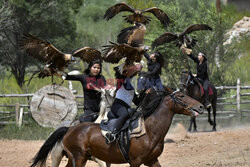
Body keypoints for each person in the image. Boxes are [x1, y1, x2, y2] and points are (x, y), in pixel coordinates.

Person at [104, 64, 142, 143]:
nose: (133, 73)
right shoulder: (121, 80)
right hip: (118, 105)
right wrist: (133, 66)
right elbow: (124, 73)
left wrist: (146, 94)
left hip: (126, 106)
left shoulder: (131, 87)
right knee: (124, 114)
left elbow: (137, 101)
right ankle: (112, 133)